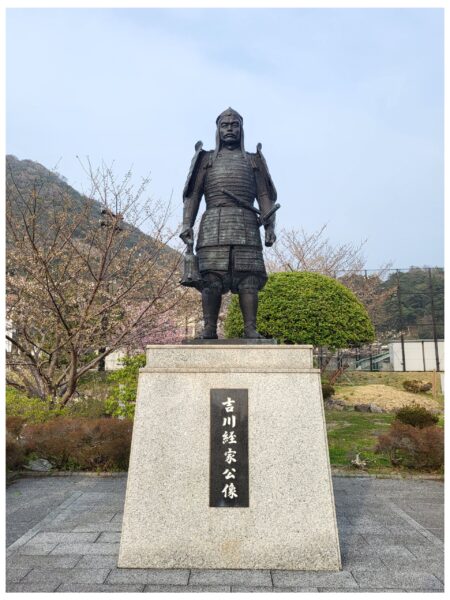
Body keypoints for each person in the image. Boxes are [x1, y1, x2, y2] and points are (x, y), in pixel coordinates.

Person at [180, 107, 278, 339]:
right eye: (225, 125)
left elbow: (264, 195)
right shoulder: (206, 159)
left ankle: (250, 329)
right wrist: (187, 223)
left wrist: (270, 226)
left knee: (249, 279)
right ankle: (209, 328)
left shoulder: (253, 160)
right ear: (218, 129)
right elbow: (193, 195)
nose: (230, 129)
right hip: (213, 224)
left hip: (247, 224)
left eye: (235, 125)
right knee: (211, 278)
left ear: (241, 129)